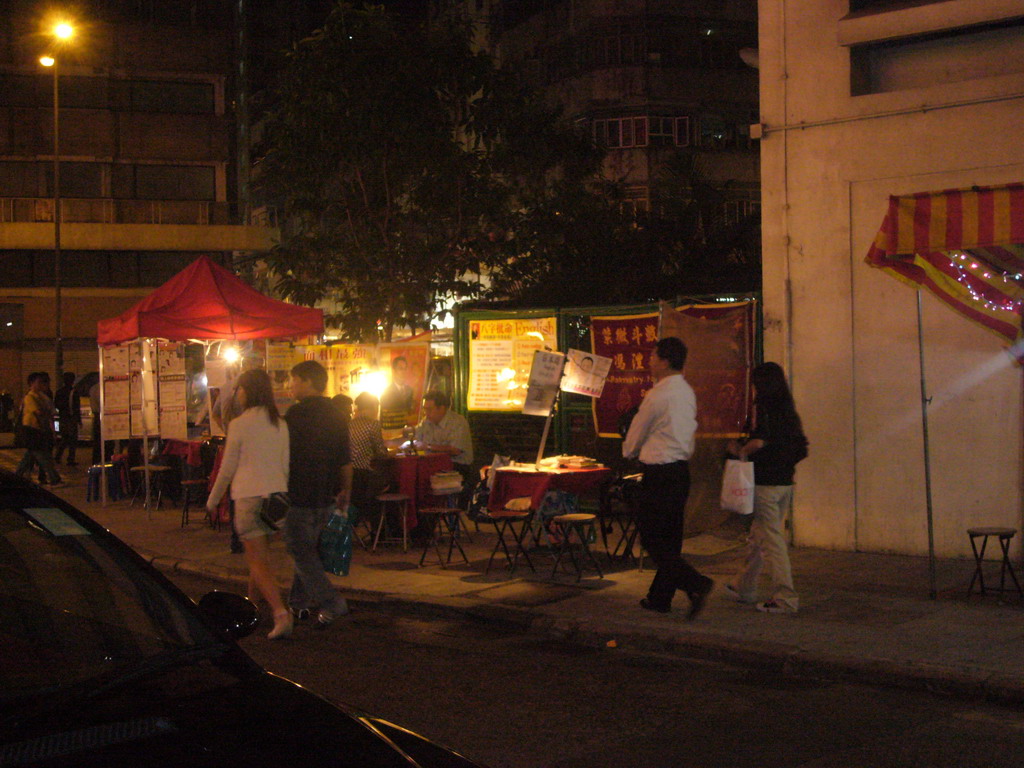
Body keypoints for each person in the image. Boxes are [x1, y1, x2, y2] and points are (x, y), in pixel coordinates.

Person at [622, 337, 713, 619]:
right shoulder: (686, 391)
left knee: (652, 538)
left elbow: (635, 435)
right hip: (679, 471)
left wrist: (629, 451)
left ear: (663, 360)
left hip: (659, 473)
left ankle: (696, 584)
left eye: (652, 356)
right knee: (670, 540)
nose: (649, 361)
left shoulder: (658, 395)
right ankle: (660, 597)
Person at [206, 369, 293, 640]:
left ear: (249, 392)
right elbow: (286, 464)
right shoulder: (280, 423)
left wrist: (212, 499)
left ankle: (281, 613)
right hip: (276, 500)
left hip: (249, 498)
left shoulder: (240, 424)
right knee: (260, 556)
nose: (237, 394)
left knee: (257, 562)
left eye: (240, 389)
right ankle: (251, 607)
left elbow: (227, 468)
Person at [726, 362, 808, 615]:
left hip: (766, 482)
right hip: (785, 481)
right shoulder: (788, 410)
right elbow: (801, 447)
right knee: (759, 535)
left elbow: (759, 441)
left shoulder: (765, 409)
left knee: (772, 540)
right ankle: (744, 585)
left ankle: (785, 597)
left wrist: (740, 450)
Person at [284, 360, 353, 629]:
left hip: (299, 494)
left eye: (293, 380)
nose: (290, 386)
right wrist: (345, 490)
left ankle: (332, 602)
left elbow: (282, 455)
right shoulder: (336, 414)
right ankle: (298, 603)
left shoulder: (295, 415)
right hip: (326, 494)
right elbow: (344, 459)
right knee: (309, 550)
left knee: (299, 550)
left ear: (308, 382)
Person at [415, 389, 474, 504]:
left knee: (423, 481)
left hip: (457, 467)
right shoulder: (426, 422)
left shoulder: (458, 422)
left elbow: (455, 450)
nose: (426, 413)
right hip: (433, 465)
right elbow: (415, 438)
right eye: (425, 409)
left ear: (442, 408)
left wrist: (428, 447)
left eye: (429, 409)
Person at [15, 372, 62, 486]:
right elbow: (38, 413)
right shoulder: (30, 397)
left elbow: (49, 413)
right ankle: (54, 478)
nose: (41, 384)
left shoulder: (41, 396)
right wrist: (48, 428)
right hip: (32, 430)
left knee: (31, 455)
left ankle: (17, 476)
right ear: (31, 383)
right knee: (41, 455)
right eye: (39, 382)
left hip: (37, 430)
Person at [349, 392, 391, 513]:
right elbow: (381, 452)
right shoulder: (373, 424)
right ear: (373, 407)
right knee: (392, 484)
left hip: (350, 476)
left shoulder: (349, 424)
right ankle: (381, 526)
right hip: (364, 477)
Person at [53, 371, 81, 466]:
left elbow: (55, 404)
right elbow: (76, 407)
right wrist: (79, 420)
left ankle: (58, 456)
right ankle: (70, 459)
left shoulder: (59, 392)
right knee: (73, 440)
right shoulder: (74, 392)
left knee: (64, 438)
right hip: (71, 418)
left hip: (62, 417)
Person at [380, 356, 414, 432]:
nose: (403, 372)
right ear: (394, 370)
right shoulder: (387, 392)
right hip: (392, 431)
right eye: (400, 368)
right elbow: (385, 418)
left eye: (405, 369)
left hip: (407, 431)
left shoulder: (409, 390)